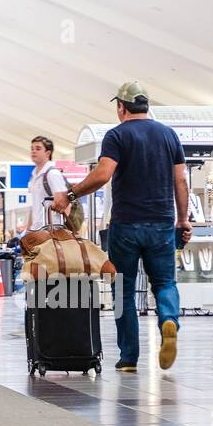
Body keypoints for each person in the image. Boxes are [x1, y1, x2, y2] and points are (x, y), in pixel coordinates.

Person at [54, 81, 188, 373]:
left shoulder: (116, 135)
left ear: (121, 107)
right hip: (162, 224)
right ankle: (168, 319)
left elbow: (103, 175)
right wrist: (183, 219)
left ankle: (129, 358)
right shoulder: (169, 135)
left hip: (126, 225)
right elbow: (180, 181)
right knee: (165, 283)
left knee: (123, 290)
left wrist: (70, 195)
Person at [28, 136, 69, 231]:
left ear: (48, 153)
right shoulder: (34, 175)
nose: (33, 151)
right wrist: (28, 230)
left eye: (38, 149)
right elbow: (34, 206)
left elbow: (65, 204)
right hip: (37, 230)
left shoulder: (52, 174)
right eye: (32, 149)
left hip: (51, 230)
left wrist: (61, 230)